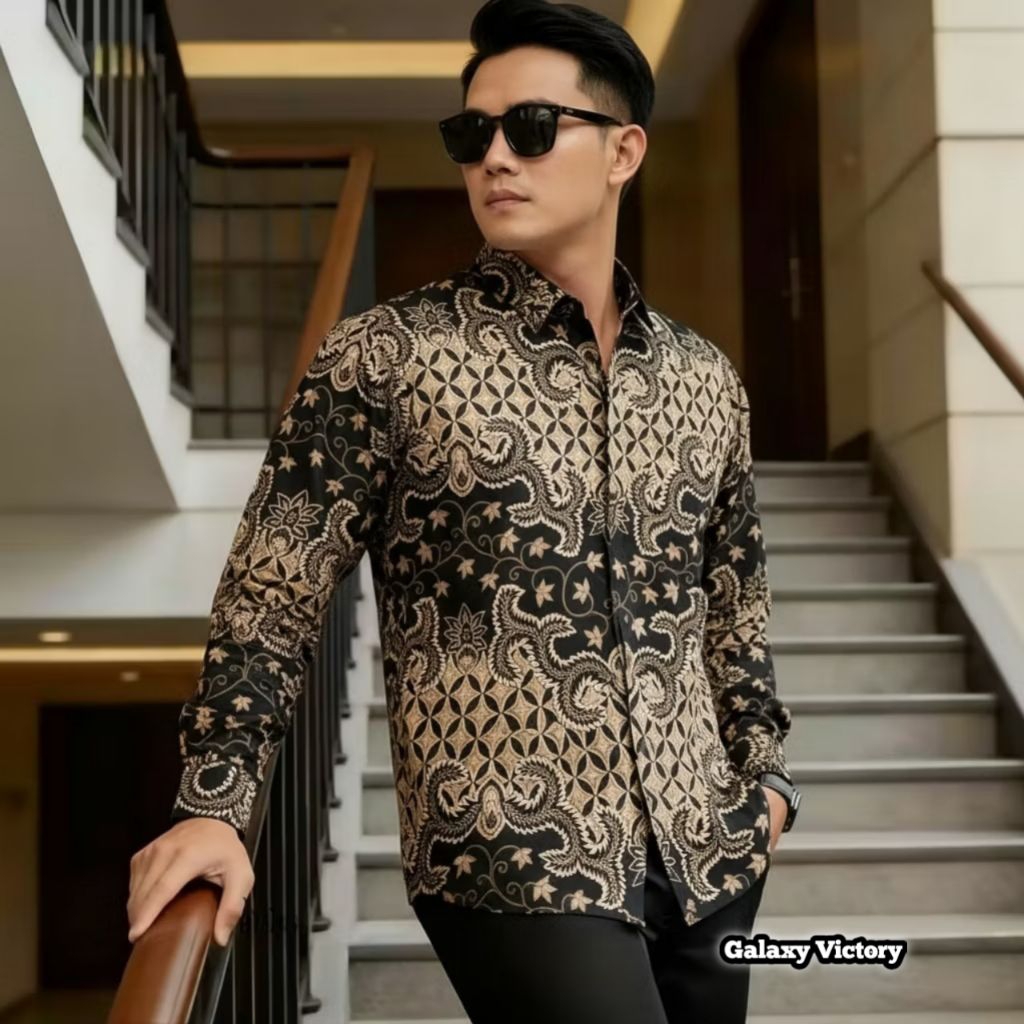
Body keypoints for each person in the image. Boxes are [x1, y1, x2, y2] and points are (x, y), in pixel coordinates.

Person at [126, 1, 801, 1021]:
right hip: (509, 853)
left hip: (710, 852)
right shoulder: (385, 358)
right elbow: (270, 599)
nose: (494, 157)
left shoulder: (703, 379)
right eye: (470, 132)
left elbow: (735, 602)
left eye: (530, 128)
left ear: (623, 153)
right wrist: (214, 803)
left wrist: (767, 784)